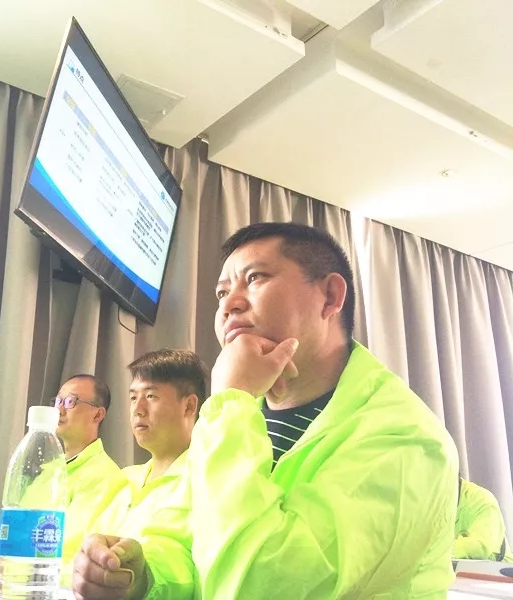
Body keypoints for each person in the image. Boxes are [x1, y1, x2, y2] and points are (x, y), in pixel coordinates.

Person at [73, 222, 458, 600]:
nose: (228, 305)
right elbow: (196, 544)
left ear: (329, 297)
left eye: (255, 278)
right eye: (222, 292)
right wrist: (145, 576)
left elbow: (261, 584)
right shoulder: (237, 417)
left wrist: (231, 399)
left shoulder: (405, 436)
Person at [74, 350, 208, 598]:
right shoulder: (122, 479)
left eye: (151, 396)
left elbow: (189, 566)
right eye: (133, 398)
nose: (138, 409)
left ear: (189, 406)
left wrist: (141, 578)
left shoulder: (207, 477)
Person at [0, 374, 126, 584]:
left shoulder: (105, 476)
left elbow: (69, 552)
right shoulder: (50, 471)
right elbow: (11, 534)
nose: (59, 410)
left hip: (41, 586)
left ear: (98, 414)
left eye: (70, 402)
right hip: (1, 580)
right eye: (58, 401)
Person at [455, 477, 512, 562]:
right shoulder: (435, 502)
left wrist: (438, 551)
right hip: (449, 567)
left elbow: (480, 547)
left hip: (496, 568)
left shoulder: (482, 499)